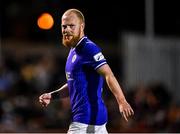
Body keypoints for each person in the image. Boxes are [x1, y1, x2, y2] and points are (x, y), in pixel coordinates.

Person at [39, 8, 134, 134]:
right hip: (91, 121)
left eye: (71, 26)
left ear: (82, 26)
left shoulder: (88, 48)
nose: (66, 29)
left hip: (85, 122)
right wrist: (52, 95)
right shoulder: (74, 50)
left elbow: (109, 75)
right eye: (64, 26)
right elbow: (74, 84)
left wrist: (122, 101)